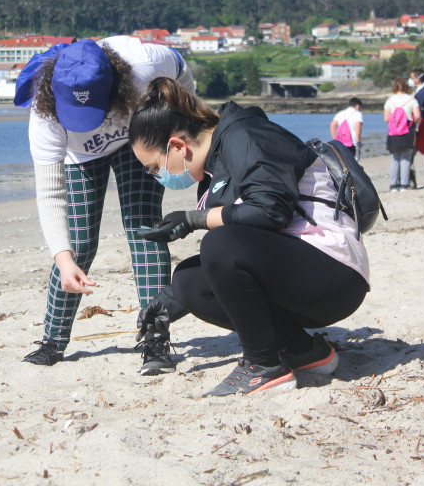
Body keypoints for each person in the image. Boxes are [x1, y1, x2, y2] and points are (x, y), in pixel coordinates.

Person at [129, 77, 370, 397]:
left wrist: (193, 220)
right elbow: (245, 251)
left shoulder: (245, 135)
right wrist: (167, 303)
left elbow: (270, 212)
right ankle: (303, 352)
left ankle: (263, 366)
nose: (155, 175)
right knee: (188, 280)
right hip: (299, 269)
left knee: (219, 244)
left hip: (334, 271)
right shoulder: (212, 169)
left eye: (153, 166)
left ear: (177, 146)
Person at [14, 36, 195, 375]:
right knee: (78, 245)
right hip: (79, 155)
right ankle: (53, 341)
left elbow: (184, 78)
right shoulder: (45, 112)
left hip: (135, 136)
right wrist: (63, 259)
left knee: (145, 228)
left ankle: (155, 339)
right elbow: (50, 193)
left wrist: (181, 128)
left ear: (118, 83)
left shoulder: (145, 63)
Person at [384, 77, 421, 192]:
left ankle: (393, 185)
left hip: (393, 133)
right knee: (406, 158)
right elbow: (418, 115)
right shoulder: (411, 100)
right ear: (406, 86)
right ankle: (405, 184)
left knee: (395, 159)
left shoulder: (389, 101)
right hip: (407, 131)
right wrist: (412, 124)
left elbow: (386, 118)